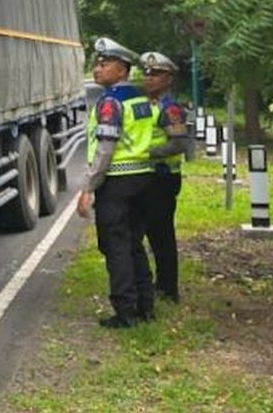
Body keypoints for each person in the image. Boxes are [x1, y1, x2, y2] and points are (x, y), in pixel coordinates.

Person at [76, 37, 157, 328]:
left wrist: (88, 187)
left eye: (104, 63)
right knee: (135, 244)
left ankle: (124, 311)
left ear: (122, 69)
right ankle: (145, 306)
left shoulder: (110, 103)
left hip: (117, 183)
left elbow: (105, 148)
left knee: (116, 246)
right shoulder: (138, 96)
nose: (97, 68)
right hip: (143, 179)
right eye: (97, 63)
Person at [140, 51, 189, 303]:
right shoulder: (147, 105)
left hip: (163, 177)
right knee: (150, 232)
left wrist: (146, 153)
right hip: (149, 178)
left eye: (156, 73)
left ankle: (168, 289)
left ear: (169, 78)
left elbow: (179, 143)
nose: (149, 78)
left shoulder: (170, 108)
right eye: (146, 73)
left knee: (161, 235)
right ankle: (159, 284)